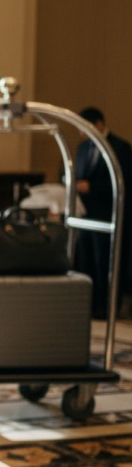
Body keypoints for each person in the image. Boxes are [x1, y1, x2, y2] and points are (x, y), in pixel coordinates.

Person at [75, 107, 132, 316]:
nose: (82, 133)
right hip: (85, 213)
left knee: (105, 261)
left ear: (98, 124)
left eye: (85, 127)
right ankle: (89, 306)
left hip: (108, 213)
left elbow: (124, 182)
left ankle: (107, 307)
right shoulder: (83, 148)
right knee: (86, 259)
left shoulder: (120, 147)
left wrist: (92, 187)